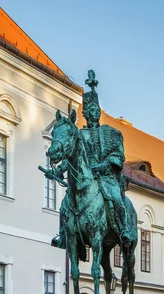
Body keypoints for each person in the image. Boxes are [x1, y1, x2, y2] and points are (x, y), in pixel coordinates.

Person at [50, 70, 131, 250]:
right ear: (85, 113)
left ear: (99, 112)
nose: (93, 113)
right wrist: (57, 171)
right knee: (66, 204)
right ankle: (63, 234)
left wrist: (105, 164)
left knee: (116, 198)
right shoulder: (80, 134)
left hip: (106, 176)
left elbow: (119, 154)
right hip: (86, 177)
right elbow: (73, 157)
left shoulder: (111, 133)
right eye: (90, 111)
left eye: (96, 110)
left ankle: (124, 229)